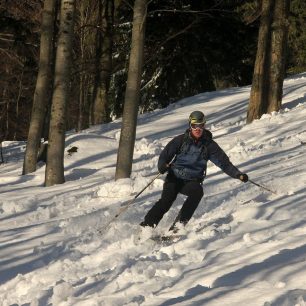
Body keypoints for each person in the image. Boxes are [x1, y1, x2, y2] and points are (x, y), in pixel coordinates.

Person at [140, 110, 248, 231]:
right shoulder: (180, 140)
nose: (198, 129)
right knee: (166, 200)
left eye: (200, 126)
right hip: (175, 177)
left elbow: (224, 163)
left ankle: (177, 228)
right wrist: (162, 166)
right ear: (190, 126)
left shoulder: (209, 145)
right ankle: (146, 227)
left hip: (192, 181)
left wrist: (238, 174)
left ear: (204, 125)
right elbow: (165, 156)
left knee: (197, 191)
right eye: (194, 126)